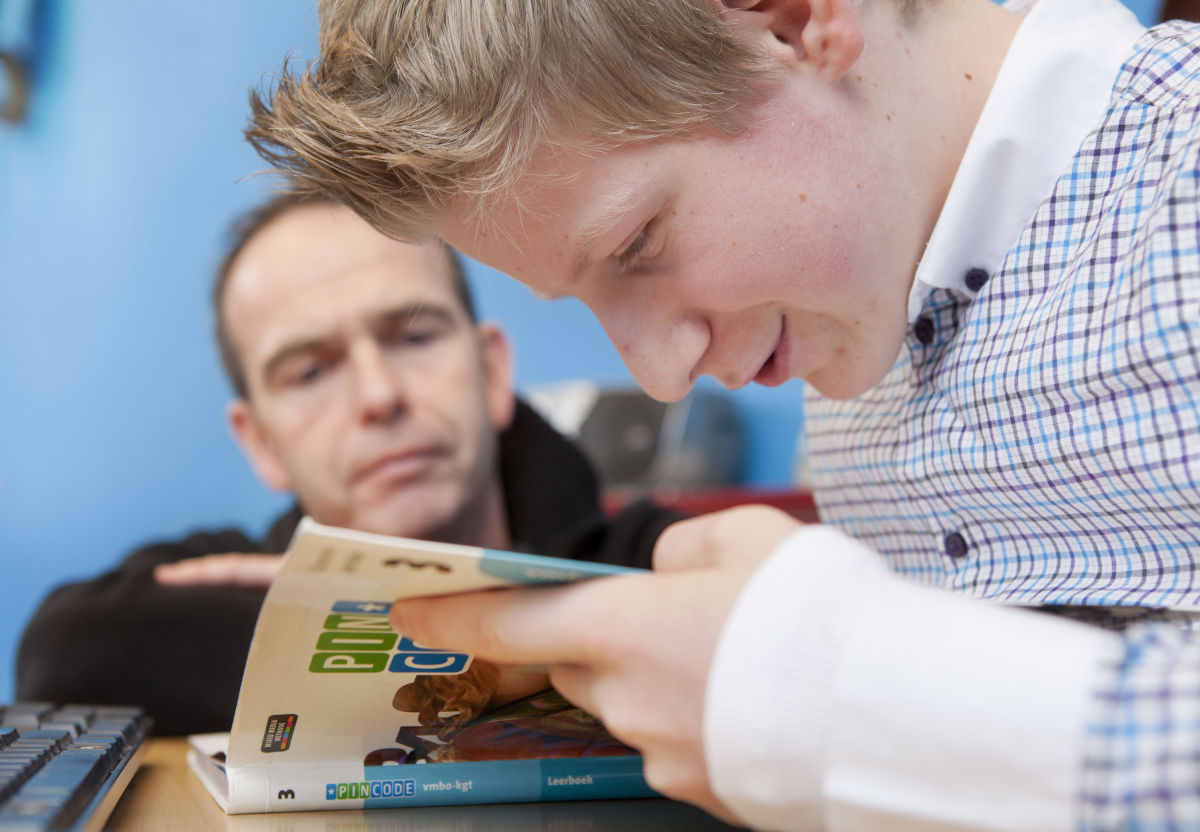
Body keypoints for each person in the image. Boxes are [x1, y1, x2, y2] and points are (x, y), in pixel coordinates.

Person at [244, 0, 1200, 828]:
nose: (664, 376)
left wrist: (838, 697)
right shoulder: (847, 377)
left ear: (792, 19)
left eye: (637, 245)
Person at [15, 192, 680, 736]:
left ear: (492, 371)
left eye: (415, 337)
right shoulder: (242, 574)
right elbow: (60, 654)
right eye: (308, 372)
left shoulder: (645, 560)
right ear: (261, 444)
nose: (379, 396)